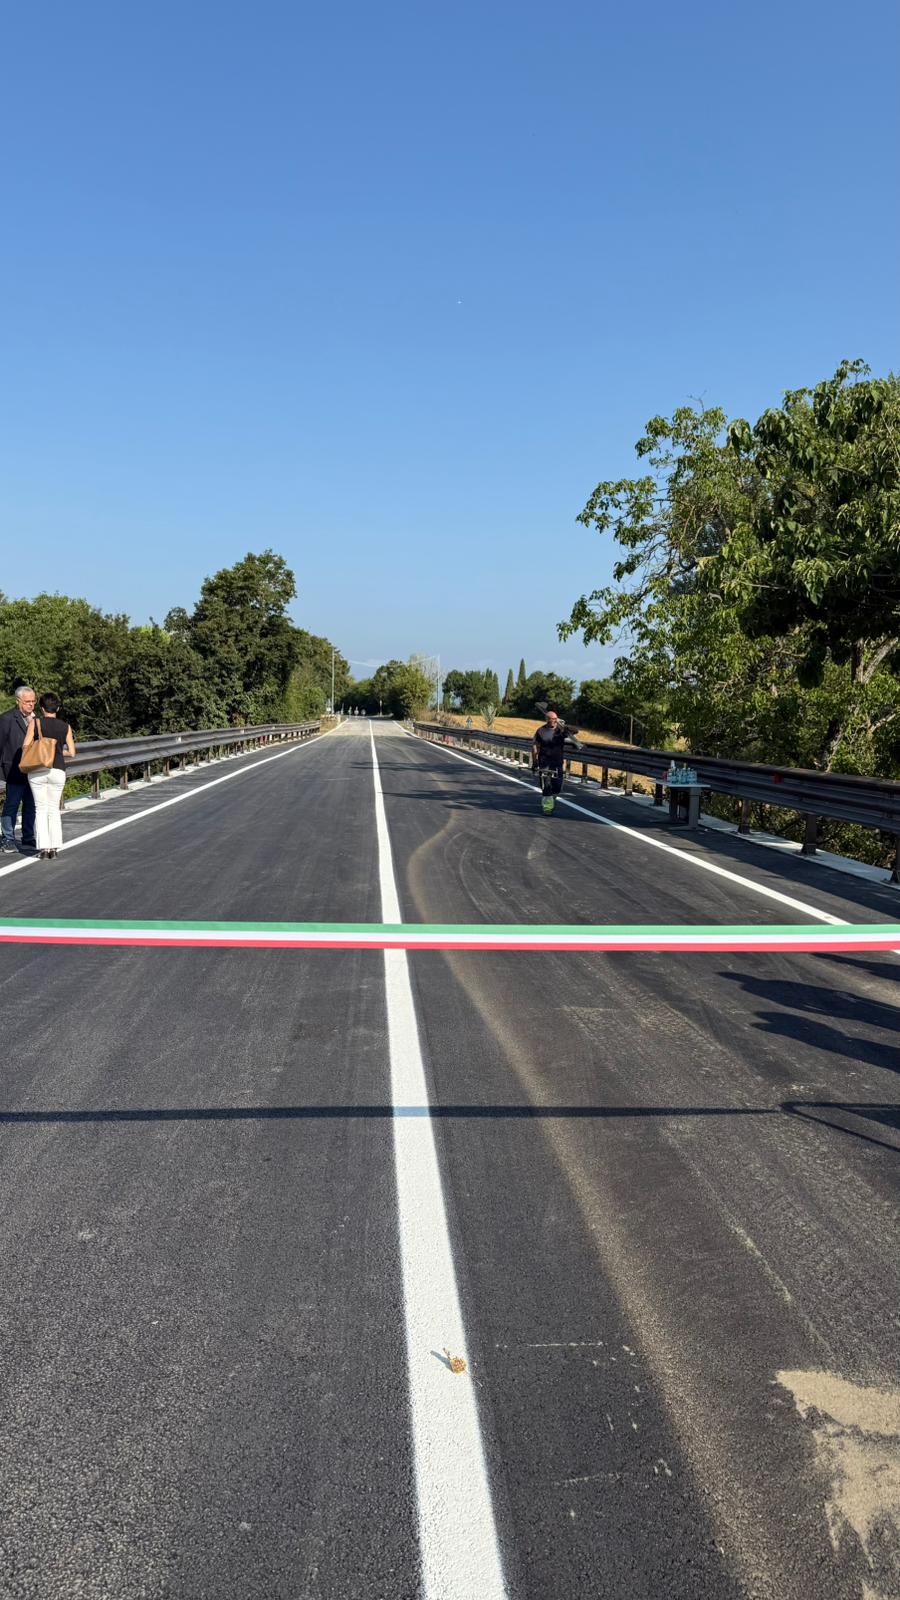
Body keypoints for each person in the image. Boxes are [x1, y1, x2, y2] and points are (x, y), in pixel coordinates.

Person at [20, 693, 75, 860]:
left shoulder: (35, 723)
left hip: (38, 770)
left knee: (40, 809)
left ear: (41, 708)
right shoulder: (66, 726)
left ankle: (44, 849)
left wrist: (40, 751)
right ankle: (54, 848)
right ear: (57, 709)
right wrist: (57, 752)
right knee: (53, 809)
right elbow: (72, 753)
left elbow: (25, 745)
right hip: (58, 770)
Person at [0, 685, 38, 853]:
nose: (31, 705)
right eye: (27, 701)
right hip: (13, 769)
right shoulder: (6, 719)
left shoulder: (37, 720)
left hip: (33, 769)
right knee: (12, 805)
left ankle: (28, 837)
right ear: (18, 702)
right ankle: (8, 839)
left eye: (33, 701)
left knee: (30, 805)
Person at [531, 708, 580, 814]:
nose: (554, 721)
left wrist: (566, 727)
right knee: (547, 785)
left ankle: (551, 801)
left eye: (556, 719)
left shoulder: (561, 730)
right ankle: (547, 808)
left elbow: (576, 731)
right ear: (547, 719)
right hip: (544, 762)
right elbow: (535, 746)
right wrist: (535, 762)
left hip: (557, 762)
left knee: (557, 787)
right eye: (552, 719)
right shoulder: (540, 731)